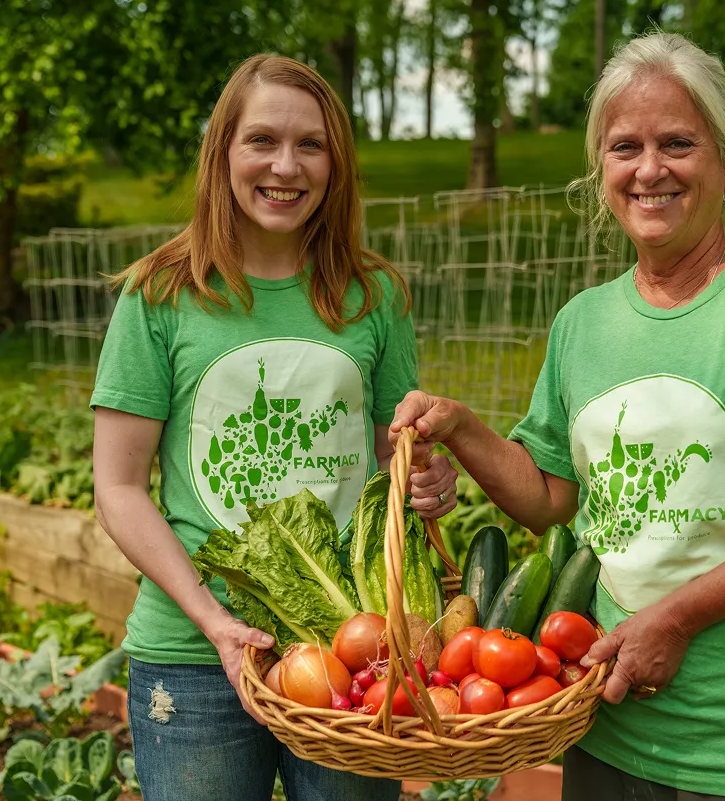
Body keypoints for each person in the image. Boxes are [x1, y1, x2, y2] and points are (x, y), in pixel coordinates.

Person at [391, 32, 725, 800]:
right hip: (605, 731)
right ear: (601, 173)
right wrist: (460, 426)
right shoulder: (583, 323)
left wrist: (674, 621)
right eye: (625, 147)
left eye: (677, 143)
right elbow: (551, 496)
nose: (649, 169)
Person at [91, 54, 458, 801]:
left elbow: (398, 456)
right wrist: (213, 621)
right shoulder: (159, 296)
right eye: (261, 140)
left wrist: (428, 480)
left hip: (347, 658)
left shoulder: (372, 294)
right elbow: (118, 488)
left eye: (310, 145)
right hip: (193, 656)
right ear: (222, 150)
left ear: (336, 163)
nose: (285, 166)